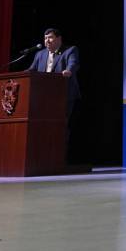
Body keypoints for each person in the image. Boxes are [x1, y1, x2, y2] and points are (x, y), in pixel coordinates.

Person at [28, 28, 82, 163]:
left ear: (59, 39)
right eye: (45, 38)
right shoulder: (40, 55)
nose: (47, 41)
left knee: (61, 127)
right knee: (43, 127)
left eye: (50, 38)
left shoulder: (70, 50)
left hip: (64, 96)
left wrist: (69, 71)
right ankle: (44, 157)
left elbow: (73, 64)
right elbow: (31, 70)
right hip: (43, 99)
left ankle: (60, 158)